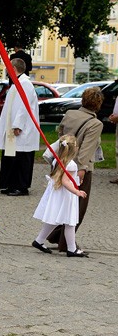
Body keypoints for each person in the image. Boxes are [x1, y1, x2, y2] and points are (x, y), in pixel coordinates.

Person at [45, 87, 104, 252]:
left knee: (63, 203)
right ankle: (66, 243)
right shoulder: (95, 124)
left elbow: (61, 135)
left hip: (62, 162)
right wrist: (82, 170)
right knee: (78, 206)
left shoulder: (70, 114)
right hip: (78, 168)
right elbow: (86, 150)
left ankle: (54, 237)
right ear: (98, 105)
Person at [32, 135, 88, 257]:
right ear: (75, 149)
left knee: (54, 219)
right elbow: (65, 181)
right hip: (66, 196)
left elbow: (65, 178)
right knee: (70, 222)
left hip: (58, 194)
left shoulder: (57, 160)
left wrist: (76, 180)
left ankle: (39, 240)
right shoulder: (71, 164)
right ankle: (72, 249)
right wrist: (77, 191)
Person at [0, 58, 40, 196]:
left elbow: (24, 106)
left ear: (13, 68)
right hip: (13, 126)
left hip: (21, 128)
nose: (6, 70)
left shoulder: (25, 84)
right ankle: (10, 183)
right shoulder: (18, 83)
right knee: (12, 156)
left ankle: (21, 186)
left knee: (21, 157)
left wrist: (18, 125)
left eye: (8, 67)